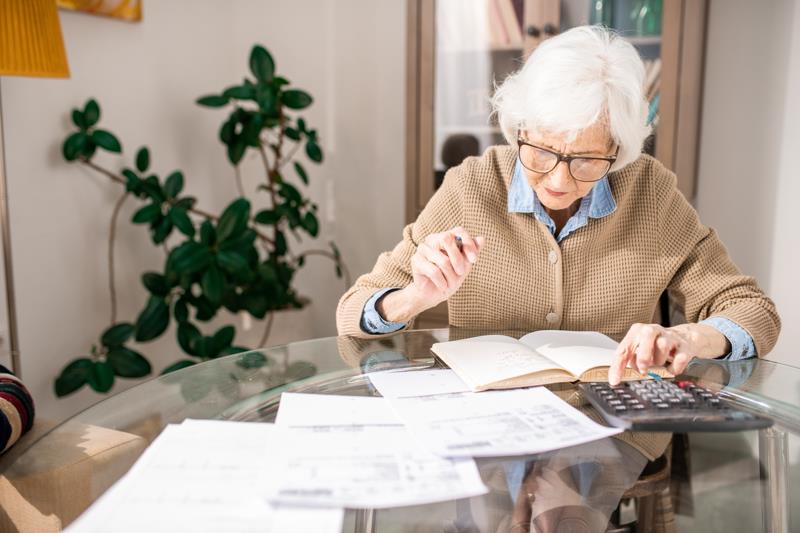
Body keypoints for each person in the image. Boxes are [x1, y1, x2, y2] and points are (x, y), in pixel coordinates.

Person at [336, 25, 780, 530]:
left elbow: (752, 311)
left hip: (610, 424)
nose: (558, 180)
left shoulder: (651, 195)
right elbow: (353, 311)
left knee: (560, 512)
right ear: (518, 128)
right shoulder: (471, 187)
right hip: (486, 421)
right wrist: (416, 295)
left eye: (588, 160)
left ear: (620, 148)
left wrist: (688, 334)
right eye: (542, 151)